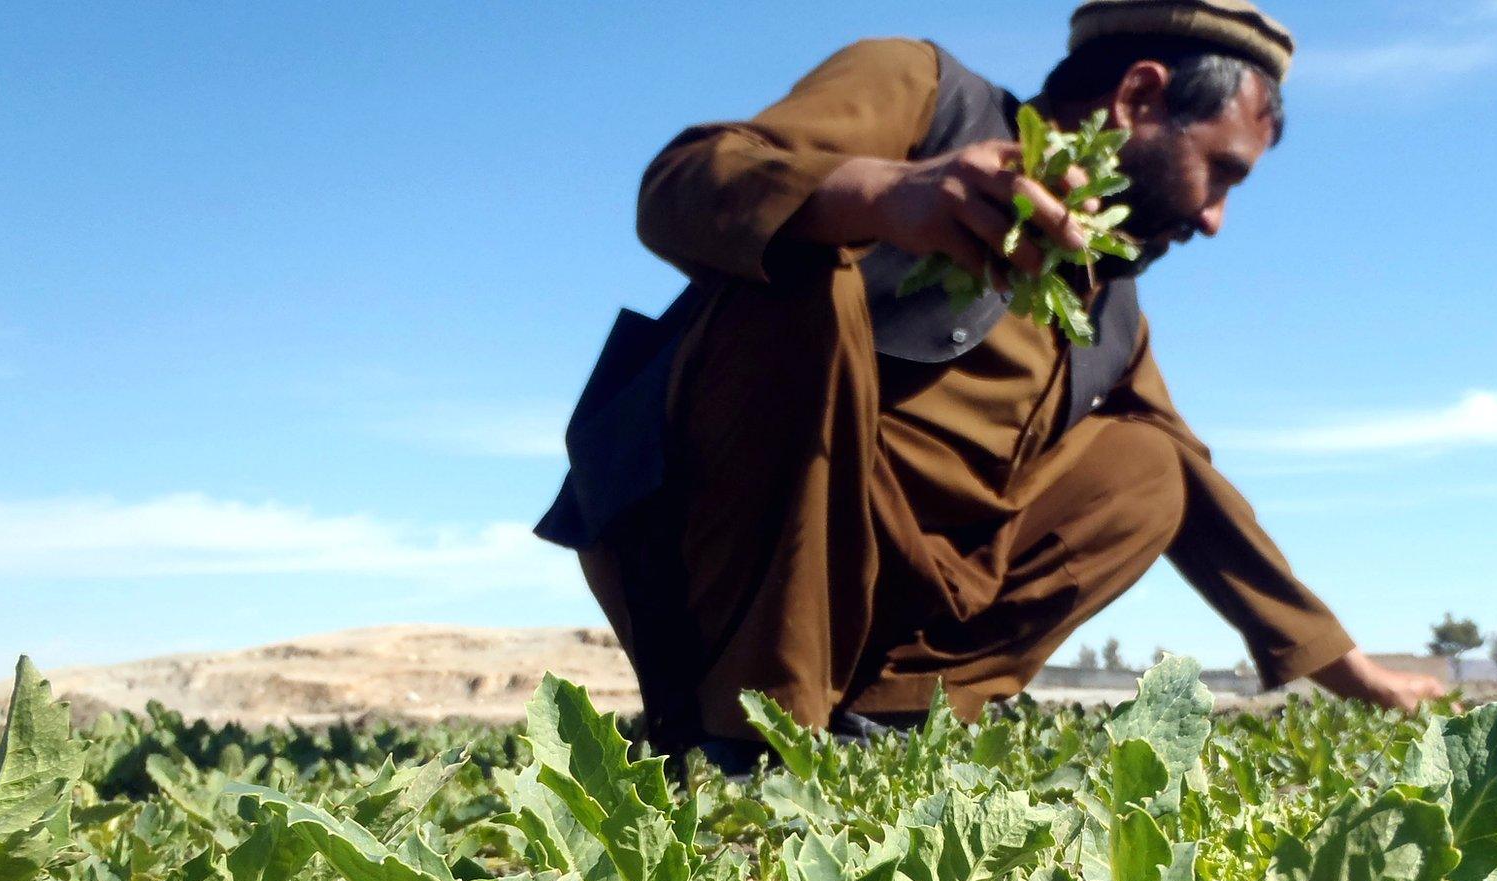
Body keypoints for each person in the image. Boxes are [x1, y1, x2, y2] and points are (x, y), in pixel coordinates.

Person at [536, 0, 1448, 770]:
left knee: (1152, 467)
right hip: (707, 553)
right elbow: (684, 183)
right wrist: (882, 194)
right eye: (1220, 171)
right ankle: (748, 739)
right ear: (1139, 97)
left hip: (888, 603)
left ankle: (885, 722)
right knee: (810, 277)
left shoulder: (1111, 312)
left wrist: (1348, 670)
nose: (1215, 219)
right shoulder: (922, 91)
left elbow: (1204, 501)